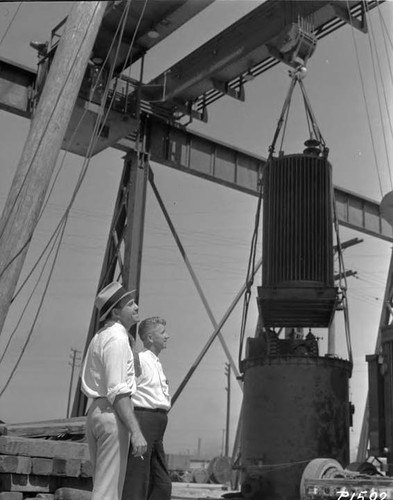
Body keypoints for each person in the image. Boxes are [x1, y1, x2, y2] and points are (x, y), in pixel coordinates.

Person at [80, 281, 147, 500]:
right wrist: (136, 432)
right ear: (116, 312)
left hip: (96, 412)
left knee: (103, 485)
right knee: (108, 491)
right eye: (130, 304)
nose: (136, 307)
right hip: (111, 414)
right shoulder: (117, 340)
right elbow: (118, 391)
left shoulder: (100, 336)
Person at [122, 316, 172, 500]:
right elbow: (126, 391)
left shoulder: (157, 363)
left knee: (162, 484)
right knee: (137, 478)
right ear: (150, 338)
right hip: (144, 419)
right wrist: (135, 431)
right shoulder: (140, 361)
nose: (168, 336)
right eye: (162, 332)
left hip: (158, 423)